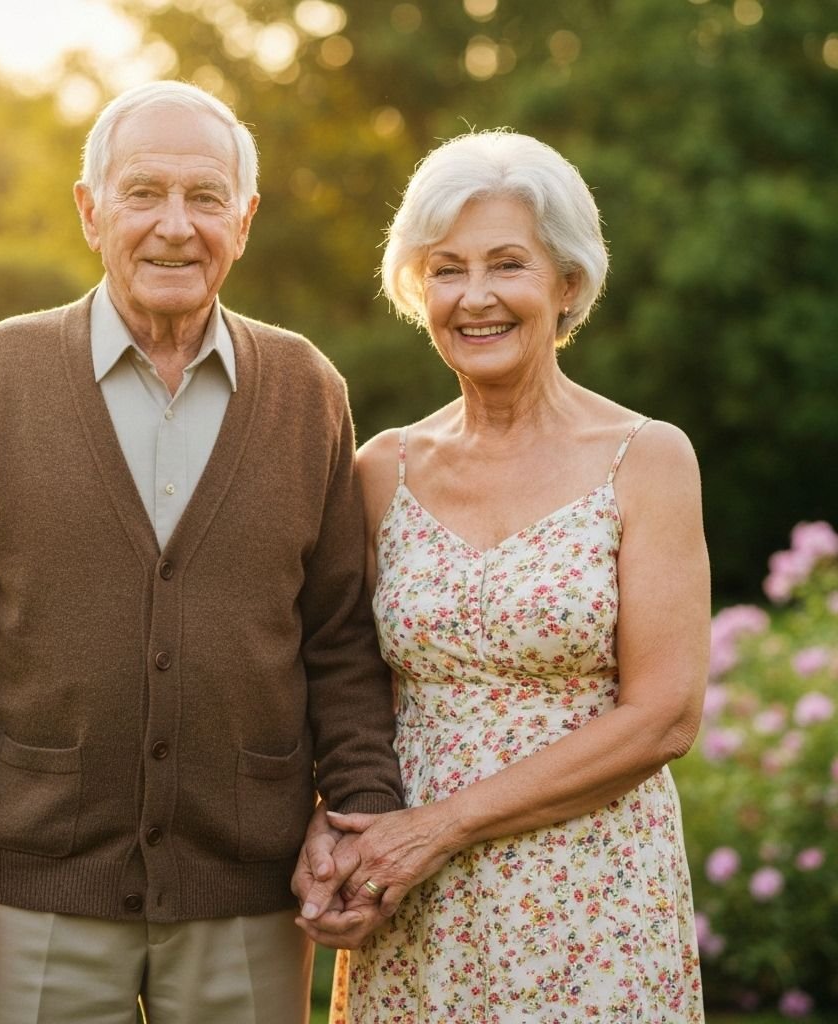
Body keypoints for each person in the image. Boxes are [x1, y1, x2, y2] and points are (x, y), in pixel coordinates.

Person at [0, 80, 403, 1024]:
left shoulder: (305, 388)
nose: (175, 226)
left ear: (243, 219)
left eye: (205, 197)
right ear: (91, 210)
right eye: (143, 193)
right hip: (39, 900)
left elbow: (339, 642)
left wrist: (361, 820)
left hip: (248, 896)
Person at [296, 129, 710, 1022]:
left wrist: (442, 826)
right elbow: (339, 677)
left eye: (507, 265)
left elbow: (665, 714)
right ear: (419, 290)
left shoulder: (647, 458)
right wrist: (334, 829)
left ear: (567, 285)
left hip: (594, 891)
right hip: (410, 897)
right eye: (446, 269)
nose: (475, 297)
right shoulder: (381, 469)